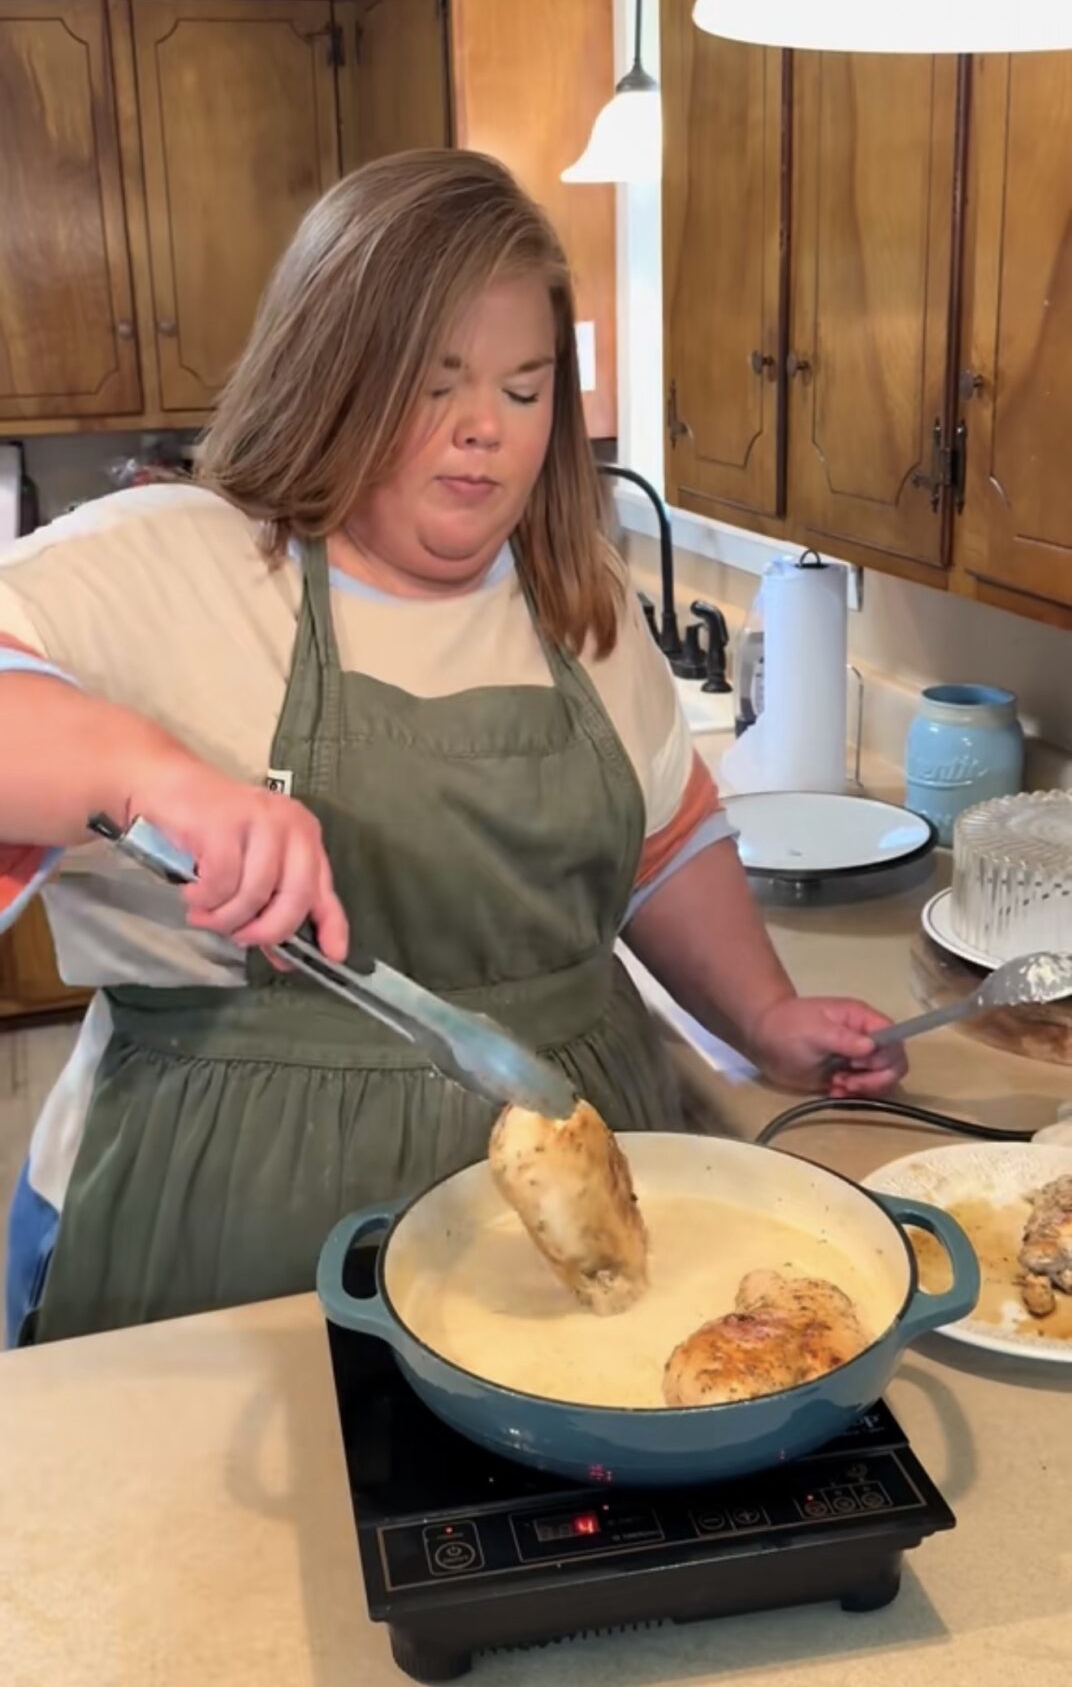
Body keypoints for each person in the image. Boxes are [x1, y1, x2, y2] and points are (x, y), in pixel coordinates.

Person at [0, 152, 903, 1348]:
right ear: (333, 373)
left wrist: (763, 1013)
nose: (485, 432)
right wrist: (149, 778)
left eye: (525, 392)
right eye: (435, 387)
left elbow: (661, 838)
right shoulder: (178, 557)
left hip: (578, 1182)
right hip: (228, 1208)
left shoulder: (572, 597)